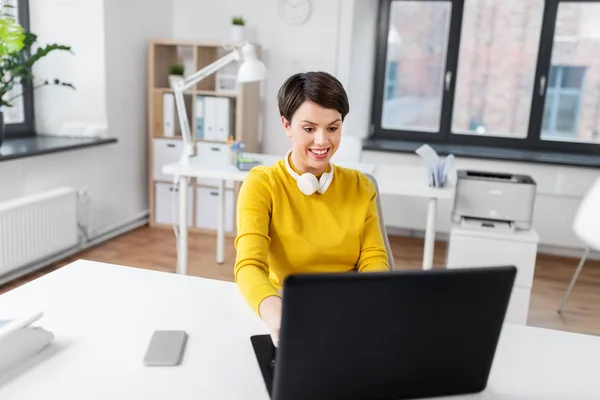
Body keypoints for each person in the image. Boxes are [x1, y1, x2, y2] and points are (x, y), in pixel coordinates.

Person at [234, 71, 390, 346]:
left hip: (349, 311)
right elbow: (249, 265)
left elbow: (373, 259)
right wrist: (276, 316)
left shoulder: (360, 186)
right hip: (286, 308)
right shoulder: (263, 184)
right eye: (309, 129)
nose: (322, 141)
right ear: (286, 125)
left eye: (333, 128)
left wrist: (372, 302)